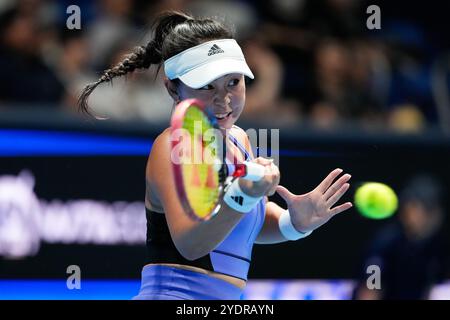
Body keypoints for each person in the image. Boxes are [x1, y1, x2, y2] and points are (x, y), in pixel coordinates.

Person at [78, 11, 353, 300]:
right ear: (173, 88)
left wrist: (292, 224)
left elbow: (239, 224)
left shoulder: (240, 139)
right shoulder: (172, 145)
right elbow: (191, 244)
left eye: (233, 82)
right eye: (207, 86)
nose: (224, 99)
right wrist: (243, 195)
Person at [353, 174, 447, 300]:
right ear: (407, 210)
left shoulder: (437, 246)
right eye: (426, 209)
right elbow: (370, 291)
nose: (433, 216)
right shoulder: (383, 245)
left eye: (435, 209)